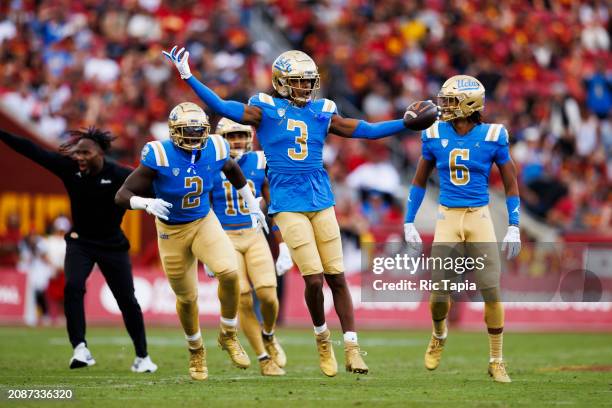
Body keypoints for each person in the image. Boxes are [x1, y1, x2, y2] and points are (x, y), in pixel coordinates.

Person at [163, 46, 435, 376]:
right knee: (314, 279)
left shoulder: (323, 110)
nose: (306, 88)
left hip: (321, 199)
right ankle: (323, 341)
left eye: (309, 82)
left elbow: (365, 129)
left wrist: (405, 124)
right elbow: (221, 107)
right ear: (281, 82)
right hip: (287, 203)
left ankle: (351, 347)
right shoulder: (265, 109)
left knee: (336, 276)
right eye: (298, 82)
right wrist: (189, 77)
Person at [115, 102, 265, 381]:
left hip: (203, 221)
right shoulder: (159, 153)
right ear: (174, 131)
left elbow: (232, 169)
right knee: (187, 298)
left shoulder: (216, 147)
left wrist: (250, 203)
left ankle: (228, 334)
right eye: (188, 130)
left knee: (230, 273)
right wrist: (144, 204)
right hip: (171, 231)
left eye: (200, 130)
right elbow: (121, 194)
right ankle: (196, 350)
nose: (195, 136)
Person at [0, 127, 156, 372]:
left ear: (101, 153)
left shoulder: (119, 174)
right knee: (73, 287)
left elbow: (153, 186)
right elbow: (33, 150)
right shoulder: (70, 168)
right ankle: (80, 348)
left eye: (86, 152)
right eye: (77, 152)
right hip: (80, 242)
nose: (80, 157)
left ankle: (142, 356)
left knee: (127, 300)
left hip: (113, 245)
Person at [403, 75, 521, 383]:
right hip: (448, 217)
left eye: (451, 101)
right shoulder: (433, 133)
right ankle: (439, 334)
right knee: (439, 292)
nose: (444, 106)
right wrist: (408, 220)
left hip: (479, 216)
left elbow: (510, 183)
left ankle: (496, 359)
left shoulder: (494, 135)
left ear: (469, 104)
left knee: (491, 291)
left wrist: (514, 226)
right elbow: (418, 181)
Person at [209, 117, 293, 376]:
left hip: (255, 235)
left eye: (241, 135)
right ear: (222, 138)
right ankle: (263, 357)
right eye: (232, 136)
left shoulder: (260, 161)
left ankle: (268, 334)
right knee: (243, 298)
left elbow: (275, 206)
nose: (237, 141)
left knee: (268, 295)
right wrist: (206, 254)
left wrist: (284, 246)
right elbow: (203, 211)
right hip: (225, 238)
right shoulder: (210, 164)